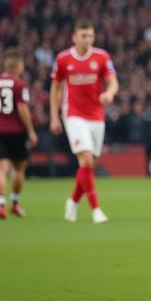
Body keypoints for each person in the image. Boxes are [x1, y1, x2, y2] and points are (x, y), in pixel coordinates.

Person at [49, 20, 118, 224]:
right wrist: (54, 116)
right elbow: (55, 88)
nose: (87, 40)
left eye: (90, 36)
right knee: (86, 160)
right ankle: (96, 210)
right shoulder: (63, 59)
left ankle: (72, 200)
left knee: (89, 166)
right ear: (74, 37)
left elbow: (113, 81)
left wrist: (110, 93)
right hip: (74, 115)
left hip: (97, 116)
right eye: (83, 36)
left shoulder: (102, 56)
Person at [0, 49, 38, 219]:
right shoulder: (19, 84)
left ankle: (0, 205)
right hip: (17, 131)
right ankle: (14, 203)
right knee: (19, 169)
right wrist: (31, 130)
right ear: (18, 66)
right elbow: (22, 108)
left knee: (0, 169)